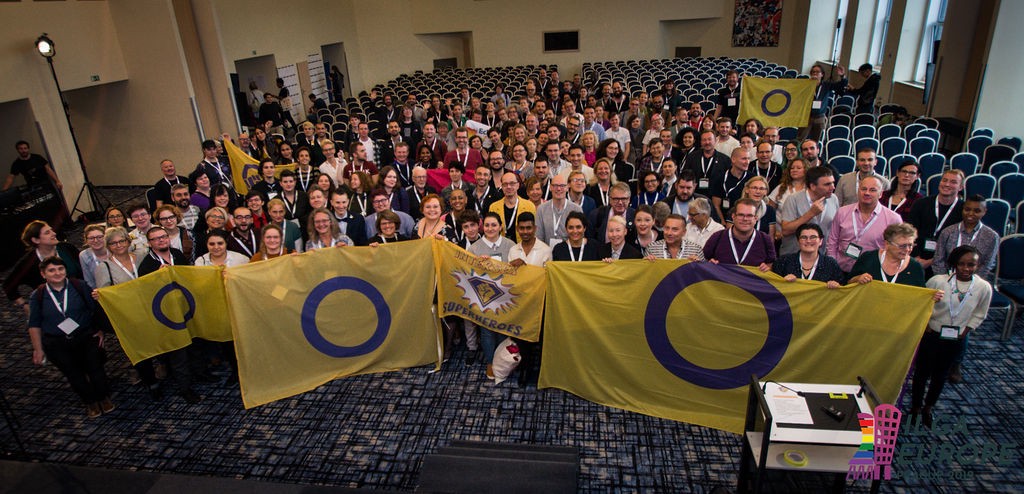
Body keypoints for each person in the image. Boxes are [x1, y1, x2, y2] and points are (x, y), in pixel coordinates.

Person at [912, 245, 991, 427]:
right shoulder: (938, 281)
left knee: (941, 374)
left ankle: (928, 407)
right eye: (961, 264)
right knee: (922, 373)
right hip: (932, 334)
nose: (966, 268)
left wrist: (967, 329)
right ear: (954, 264)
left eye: (971, 265)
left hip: (955, 338)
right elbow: (923, 302)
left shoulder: (982, 287)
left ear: (977, 266)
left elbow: (980, 312)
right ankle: (915, 407)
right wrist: (926, 325)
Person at [28, 256, 111, 418]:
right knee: (74, 374)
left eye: (60, 269)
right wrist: (38, 349)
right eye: (51, 270)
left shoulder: (79, 286)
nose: (57, 273)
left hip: (86, 336)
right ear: (43, 274)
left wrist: (99, 330)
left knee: (96, 369)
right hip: (56, 343)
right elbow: (34, 324)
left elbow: (94, 309)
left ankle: (103, 397)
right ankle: (90, 402)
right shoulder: (37, 296)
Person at [137, 226, 200, 404]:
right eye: (156, 239)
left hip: (186, 307)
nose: (161, 240)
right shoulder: (147, 265)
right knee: (178, 353)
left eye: (164, 237)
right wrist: (158, 277)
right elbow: (146, 292)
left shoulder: (177, 254)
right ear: (150, 243)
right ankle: (185, 388)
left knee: (195, 344)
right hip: (168, 316)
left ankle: (201, 375)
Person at [826, 175, 904, 273]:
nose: (867, 193)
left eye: (872, 190)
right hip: (840, 271)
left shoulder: (893, 219)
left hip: (873, 275)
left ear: (880, 194)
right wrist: (832, 267)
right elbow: (832, 242)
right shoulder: (842, 212)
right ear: (858, 191)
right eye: (863, 189)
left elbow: (896, 249)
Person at [5, 221, 83, 314]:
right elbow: (9, 285)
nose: (54, 233)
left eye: (52, 230)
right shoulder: (29, 262)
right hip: (52, 310)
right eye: (47, 232)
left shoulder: (67, 248)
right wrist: (24, 305)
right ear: (36, 240)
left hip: (80, 300)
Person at [907, 170, 964, 274]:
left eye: (953, 182)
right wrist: (916, 257)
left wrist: (932, 261)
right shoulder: (921, 203)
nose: (947, 184)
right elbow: (909, 231)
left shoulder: (963, 210)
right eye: (944, 180)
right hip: (916, 257)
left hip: (945, 262)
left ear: (961, 187)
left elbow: (959, 243)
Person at [932, 195, 999, 281]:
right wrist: (946, 281)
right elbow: (938, 261)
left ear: (984, 212)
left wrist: (971, 283)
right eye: (967, 209)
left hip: (975, 283)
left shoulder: (992, 236)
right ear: (963, 209)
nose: (971, 213)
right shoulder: (947, 232)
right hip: (947, 280)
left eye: (977, 211)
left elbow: (987, 265)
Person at [778, 166, 838, 256]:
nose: (832, 187)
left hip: (821, 258)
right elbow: (786, 230)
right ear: (813, 186)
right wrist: (811, 214)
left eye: (833, 183)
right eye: (827, 184)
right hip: (793, 257)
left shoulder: (833, 198)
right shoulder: (793, 199)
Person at [703, 199, 776, 270]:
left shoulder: (765, 240)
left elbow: (770, 265)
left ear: (755, 218)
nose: (745, 219)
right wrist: (710, 264)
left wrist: (767, 268)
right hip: (723, 281)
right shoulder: (717, 237)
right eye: (741, 215)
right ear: (733, 217)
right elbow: (705, 261)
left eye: (749, 215)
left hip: (751, 282)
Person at [848, 223, 928, 287]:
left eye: (910, 245)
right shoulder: (868, 259)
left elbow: (920, 295)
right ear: (887, 244)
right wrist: (857, 279)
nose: (907, 249)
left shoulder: (915, 267)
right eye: (902, 246)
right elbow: (848, 284)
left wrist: (933, 297)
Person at [773, 223, 845, 287]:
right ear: (798, 241)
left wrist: (836, 285)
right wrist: (782, 282)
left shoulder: (830, 264)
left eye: (813, 237)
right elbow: (772, 286)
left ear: (821, 241)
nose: (808, 241)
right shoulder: (783, 261)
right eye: (804, 237)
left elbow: (842, 290)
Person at [489, 172, 537, 243]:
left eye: (512, 183)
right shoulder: (494, 207)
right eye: (505, 184)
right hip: (501, 247)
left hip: (523, 246)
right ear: (501, 186)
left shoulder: (529, 206)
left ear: (518, 185)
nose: (508, 187)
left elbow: (534, 231)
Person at [682, 130, 730, 199]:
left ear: (715, 140)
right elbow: (686, 175)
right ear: (701, 142)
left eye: (709, 139)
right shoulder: (692, 157)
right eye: (704, 140)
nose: (707, 142)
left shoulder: (725, 160)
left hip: (716, 197)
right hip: (695, 196)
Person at [711, 147, 751, 223]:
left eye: (748, 159)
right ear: (733, 159)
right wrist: (722, 222)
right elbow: (716, 205)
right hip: (724, 220)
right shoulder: (720, 178)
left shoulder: (752, 179)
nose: (747, 162)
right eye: (744, 159)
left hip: (745, 220)